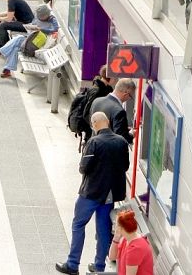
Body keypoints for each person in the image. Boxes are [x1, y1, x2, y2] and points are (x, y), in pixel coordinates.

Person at [55, 112, 130, 275]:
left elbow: (83, 167)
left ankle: (73, 264)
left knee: (78, 224)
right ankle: (99, 267)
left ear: (94, 124)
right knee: (103, 229)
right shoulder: (122, 142)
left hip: (91, 193)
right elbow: (125, 166)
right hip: (109, 195)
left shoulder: (94, 142)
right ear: (108, 122)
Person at [0, 4, 60, 78]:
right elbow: (32, 22)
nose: (39, 18)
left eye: (41, 17)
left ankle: (0, 52)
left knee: (18, 38)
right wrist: (31, 27)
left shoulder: (52, 20)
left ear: (46, 15)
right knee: (16, 47)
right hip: (30, 39)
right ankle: (7, 70)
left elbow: (55, 29)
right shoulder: (38, 16)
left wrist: (41, 29)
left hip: (36, 47)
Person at [88, 77, 136, 145]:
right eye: (130, 97)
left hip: (94, 146)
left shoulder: (97, 101)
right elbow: (121, 139)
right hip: (108, 151)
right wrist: (131, 135)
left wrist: (123, 128)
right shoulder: (119, 111)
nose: (129, 99)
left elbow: (91, 122)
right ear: (126, 94)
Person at [109, 210, 154, 275]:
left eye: (116, 224)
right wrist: (116, 237)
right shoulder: (126, 239)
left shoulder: (135, 249)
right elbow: (112, 257)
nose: (114, 225)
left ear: (120, 228)